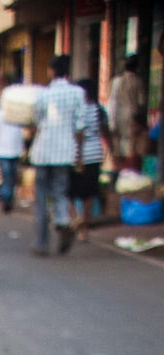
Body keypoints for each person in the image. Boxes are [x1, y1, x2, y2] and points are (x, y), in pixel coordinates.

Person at [29, 53, 84, 256]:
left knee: (42, 197)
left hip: (43, 151)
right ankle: (63, 221)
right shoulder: (77, 93)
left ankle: (41, 243)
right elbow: (80, 126)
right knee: (61, 191)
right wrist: (79, 154)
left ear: (52, 71)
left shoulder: (43, 95)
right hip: (65, 151)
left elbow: (36, 122)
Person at [72, 79, 109, 240]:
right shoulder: (99, 110)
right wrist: (110, 151)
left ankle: (76, 219)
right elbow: (106, 131)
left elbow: (77, 135)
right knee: (89, 192)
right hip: (95, 153)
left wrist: (78, 156)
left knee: (70, 190)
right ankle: (84, 227)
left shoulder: (76, 111)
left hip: (77, 155)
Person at [0, 79, 29, 213]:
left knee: (9, 177)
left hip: (8, 151)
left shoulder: (13, 114)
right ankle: (7, 199)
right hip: (9, 151)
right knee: (9, 177)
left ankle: (7, 199)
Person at [108, 53, 145, 171]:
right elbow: (142, 101)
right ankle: (128, 169)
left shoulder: (116, 81)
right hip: (132, 115)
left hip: (117, 114)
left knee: (117, 141)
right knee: (130, 142)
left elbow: (111, 98)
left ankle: (118, 168)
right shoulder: (138, 81)